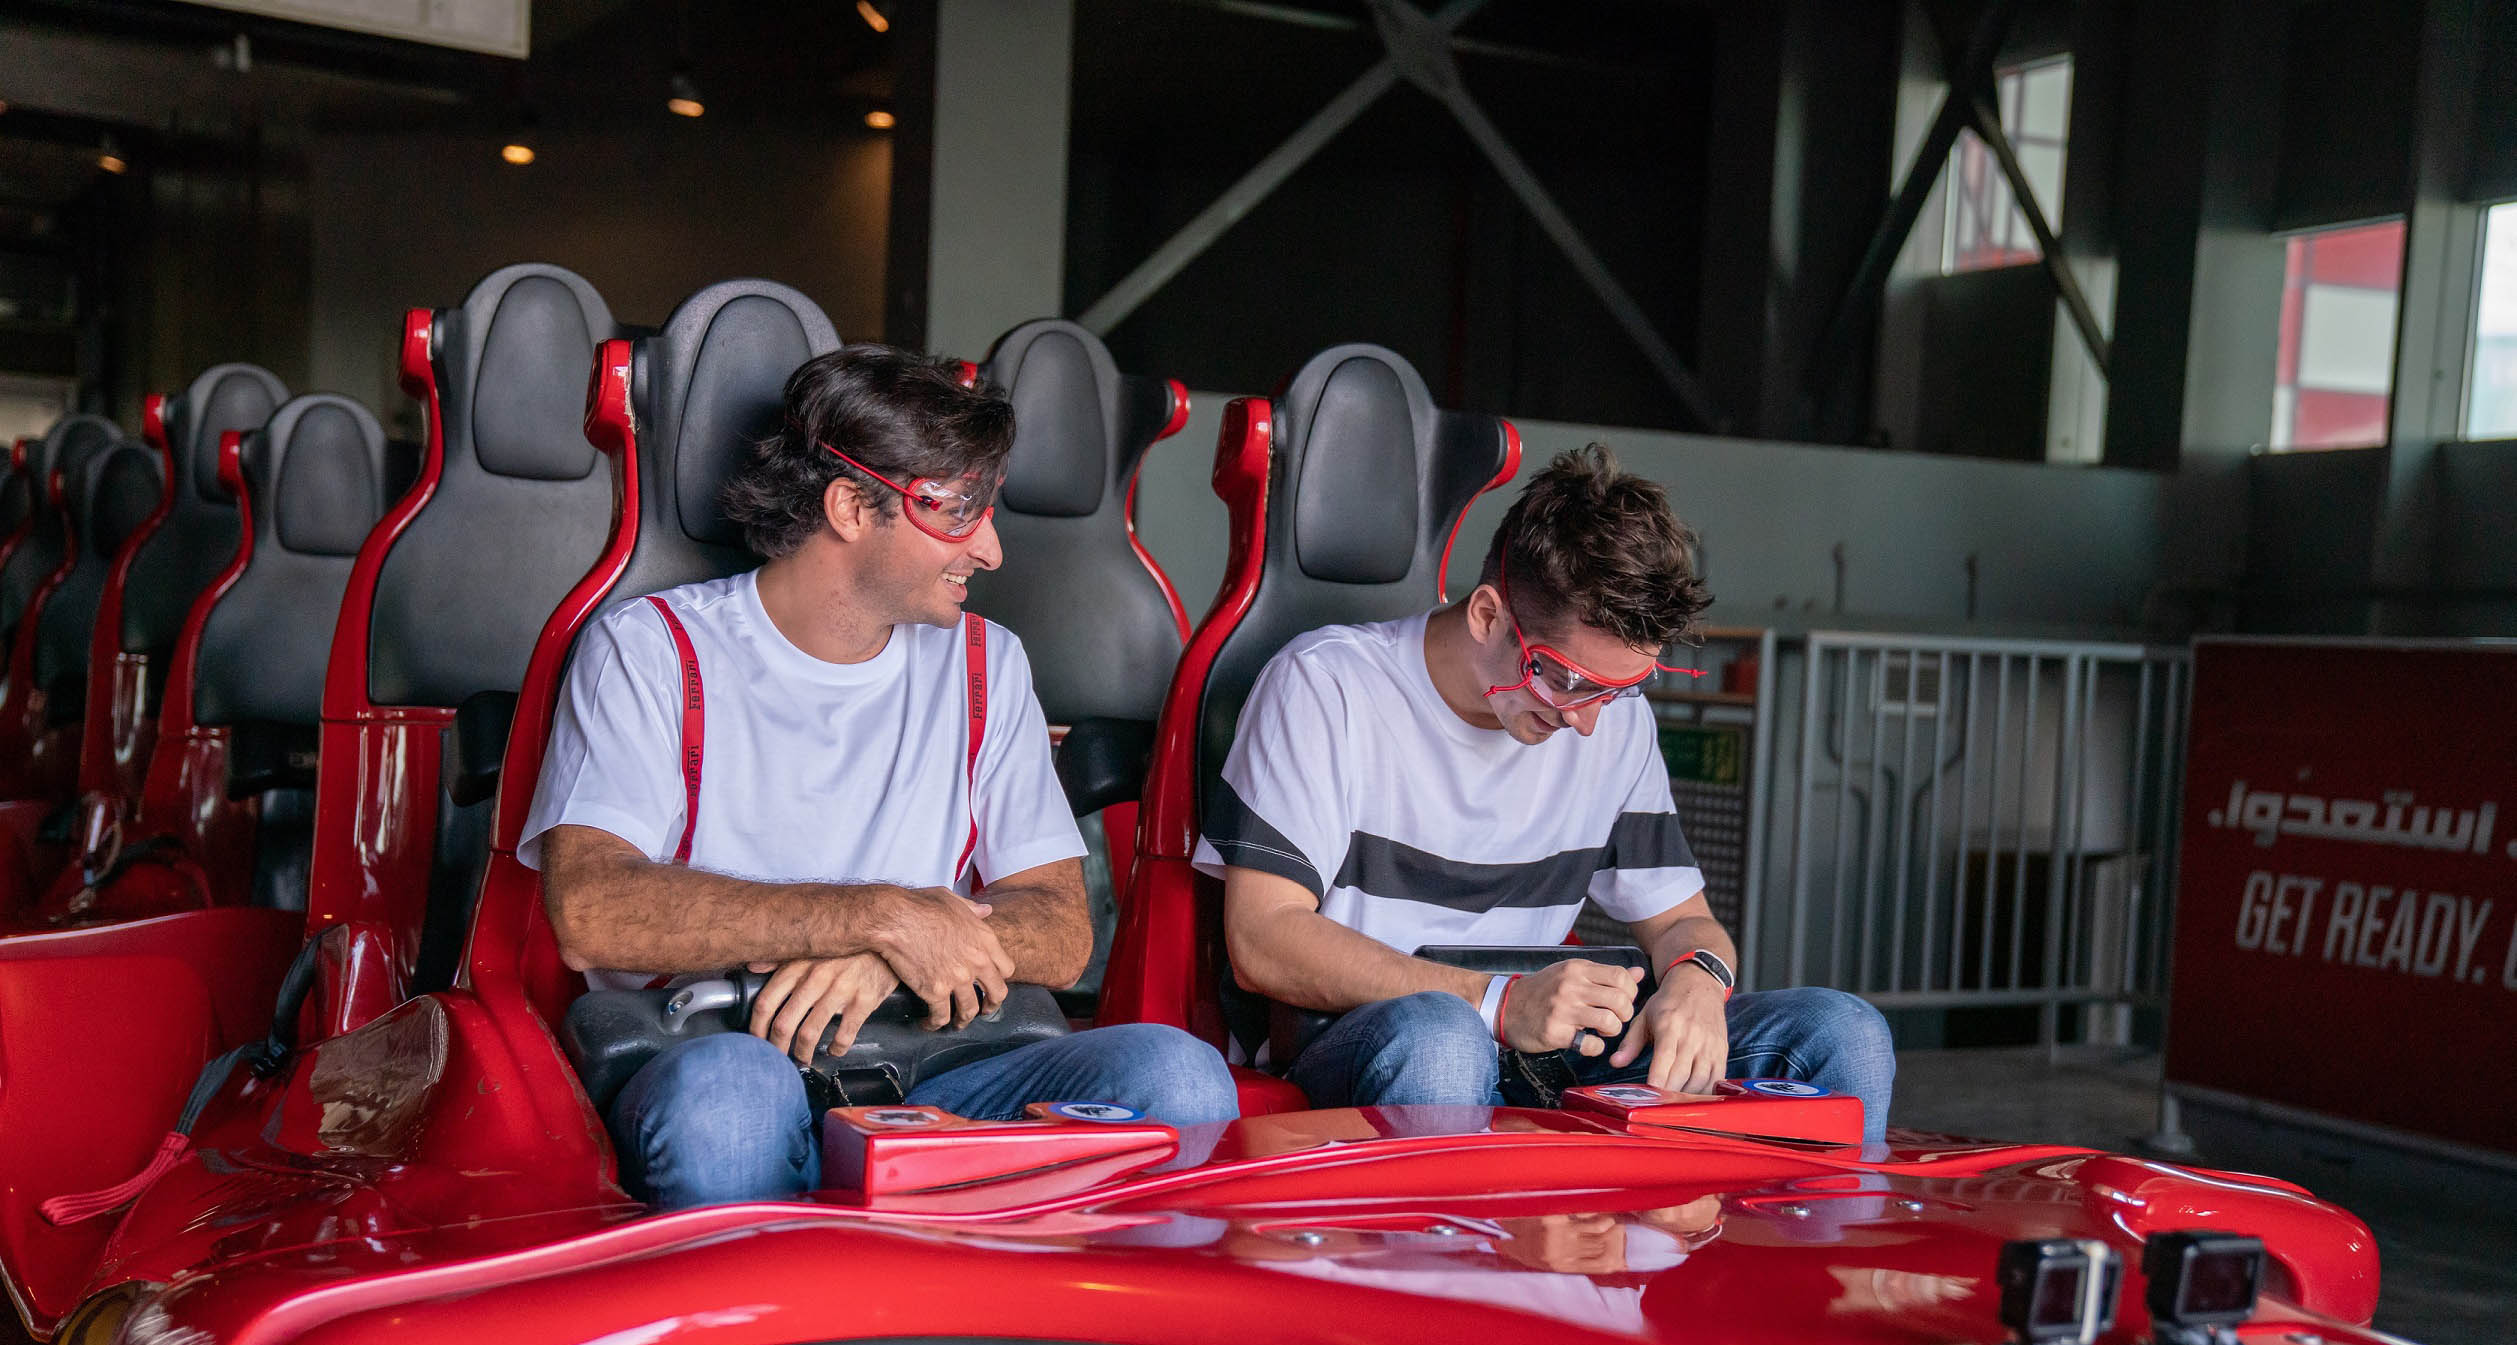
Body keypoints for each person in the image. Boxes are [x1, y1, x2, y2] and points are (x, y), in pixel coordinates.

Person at [526, 345, 1238, 1207]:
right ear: (850, 506)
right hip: (715, 1047)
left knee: (1181, 1075)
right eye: (959, 512)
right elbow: (594, 911)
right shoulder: (648, 647)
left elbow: (1058, 931)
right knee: (730, 1105)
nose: (992, 549)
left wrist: (889, 957)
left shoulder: (988, 663)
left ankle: (1013, 1333)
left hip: (940, 1058)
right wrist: (880, 916)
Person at [1196, 444, 1893, 1144]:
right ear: (1488, 616)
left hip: (1549, 1047)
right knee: (1443, 1038)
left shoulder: (1613, 723)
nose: (1586, 721)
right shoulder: (1326, 687)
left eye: (1619, 689)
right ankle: (1436, 1249)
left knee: (1843, 1032)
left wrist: (1697, 980)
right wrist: (1495, 1004)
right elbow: (1262, 938)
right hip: (1368, 1037)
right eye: (1565, 679)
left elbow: (1685, 923)